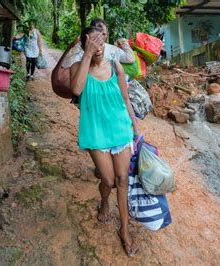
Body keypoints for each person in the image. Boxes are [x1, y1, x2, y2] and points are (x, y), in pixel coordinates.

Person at [70, 26, 140, 257]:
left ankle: (125, 230)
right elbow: (76, 89)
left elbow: (125, 97)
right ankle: (104, 201)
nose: (97, 48)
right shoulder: (77, 68)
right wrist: (87, 54)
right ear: (84, 46)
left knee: (122, 180)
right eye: (91, 43)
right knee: (108, 180)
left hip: (120, 128)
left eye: (100, 42)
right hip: (96, 133)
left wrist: (134, 124)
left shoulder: (115, 66)